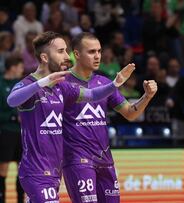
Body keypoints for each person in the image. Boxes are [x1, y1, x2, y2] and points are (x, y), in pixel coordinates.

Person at [6, 31, 135, 202]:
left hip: (54, 171)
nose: (67, 56)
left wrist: (115, 84)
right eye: (61, 51)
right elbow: (12, 100)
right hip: (35, 170)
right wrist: (43, 82)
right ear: (45, 57)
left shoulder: (62, 86)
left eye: (66, 50)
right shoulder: (29, 84)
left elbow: (93, 94)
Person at [61, 32, 157, 203]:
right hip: (77, 159)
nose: (98, 56)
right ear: (76, 54)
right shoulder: (62, 82)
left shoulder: (104, 82)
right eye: (91, 52)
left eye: (99, 51)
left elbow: (130, 113)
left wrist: (147, 96)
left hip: (105, 159)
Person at [0, 56, 24, 203]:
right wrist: (14, 117)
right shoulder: (1, 84)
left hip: (22, 133)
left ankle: (20, 200)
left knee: (22, 169)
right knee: (3, 169)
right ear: (13, 67)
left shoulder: (21, 84)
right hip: (6, 132)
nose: (22, 70)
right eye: (20, 67)